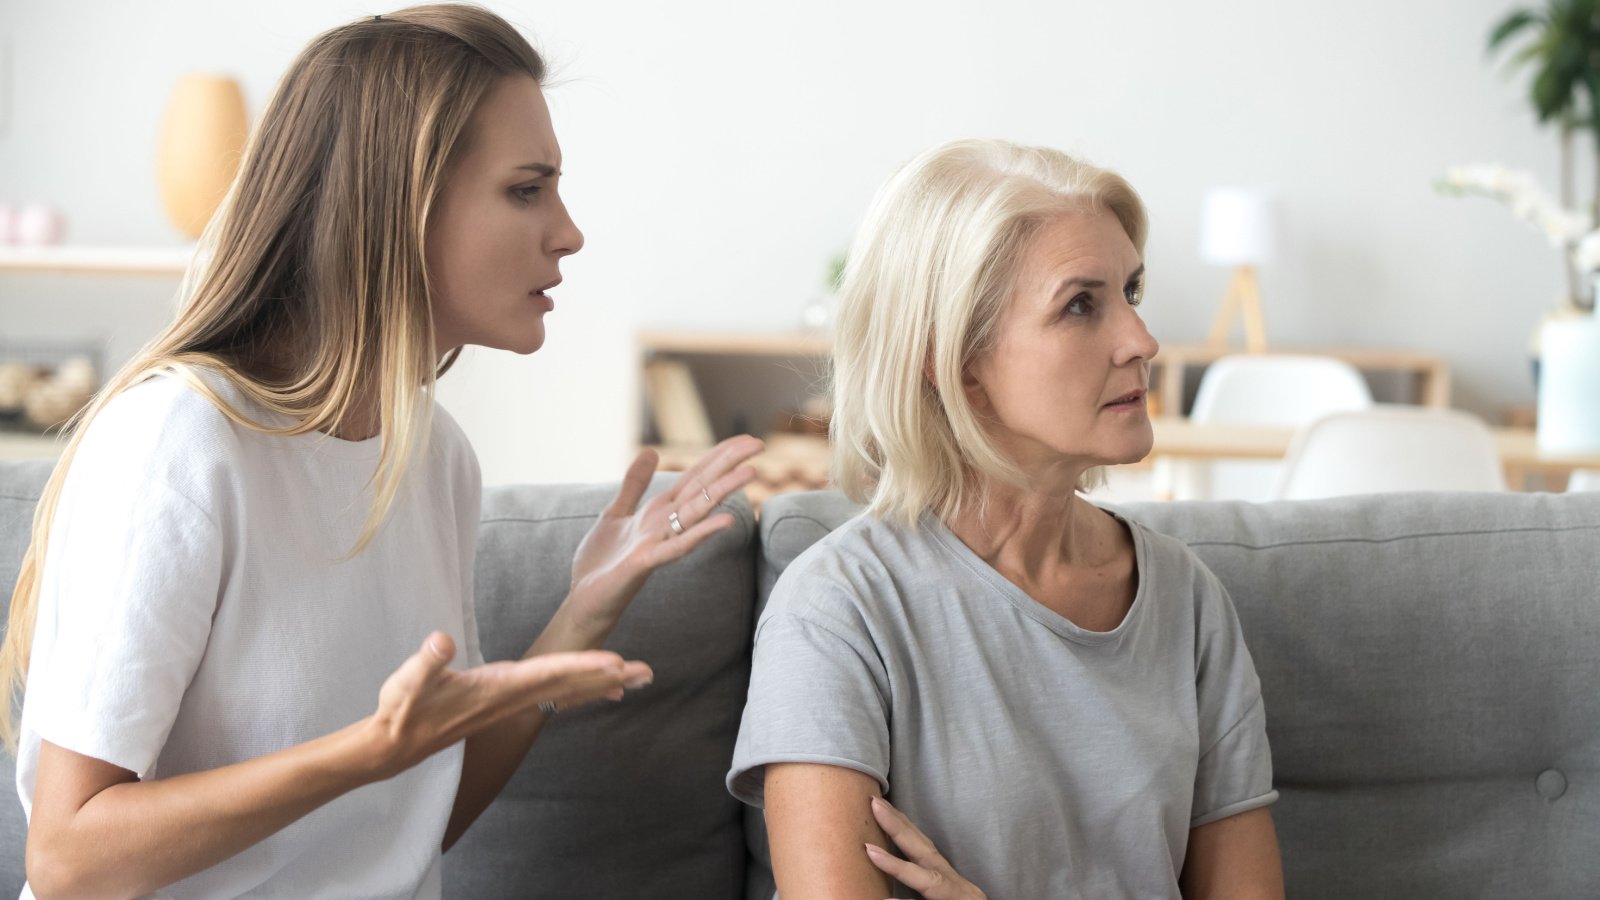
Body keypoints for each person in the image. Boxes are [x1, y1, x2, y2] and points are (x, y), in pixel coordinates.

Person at [1, 6, 760, 898]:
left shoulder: (433, 455)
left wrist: (581, 613)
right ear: (398, 200)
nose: (568, 231)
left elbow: (416, 828)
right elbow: (68, 858)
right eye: (527, 188)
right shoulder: (180, 442)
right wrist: (362, 753)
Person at [728, 139, 1285, 899]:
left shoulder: (1186, 601)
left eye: (1132, 292)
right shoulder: (839, 609)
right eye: (1080, 305)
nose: (1142, 341)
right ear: (952, 359)